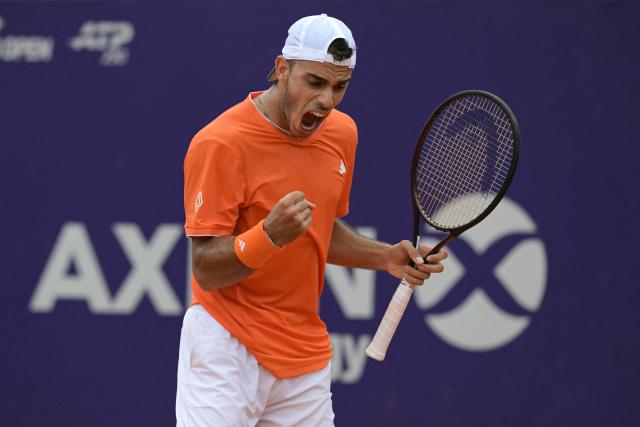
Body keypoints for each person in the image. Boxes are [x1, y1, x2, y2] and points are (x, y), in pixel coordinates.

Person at [176, 13, 447, 426]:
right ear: (282, 69)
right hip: (226, 343)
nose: (328, 101)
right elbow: (207, 269)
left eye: (340, 87)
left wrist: (384, 257)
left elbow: (320, 230)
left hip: (303, 354)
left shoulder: (342, 134)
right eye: (315, 82)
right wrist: (268, 235)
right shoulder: (220, 144)